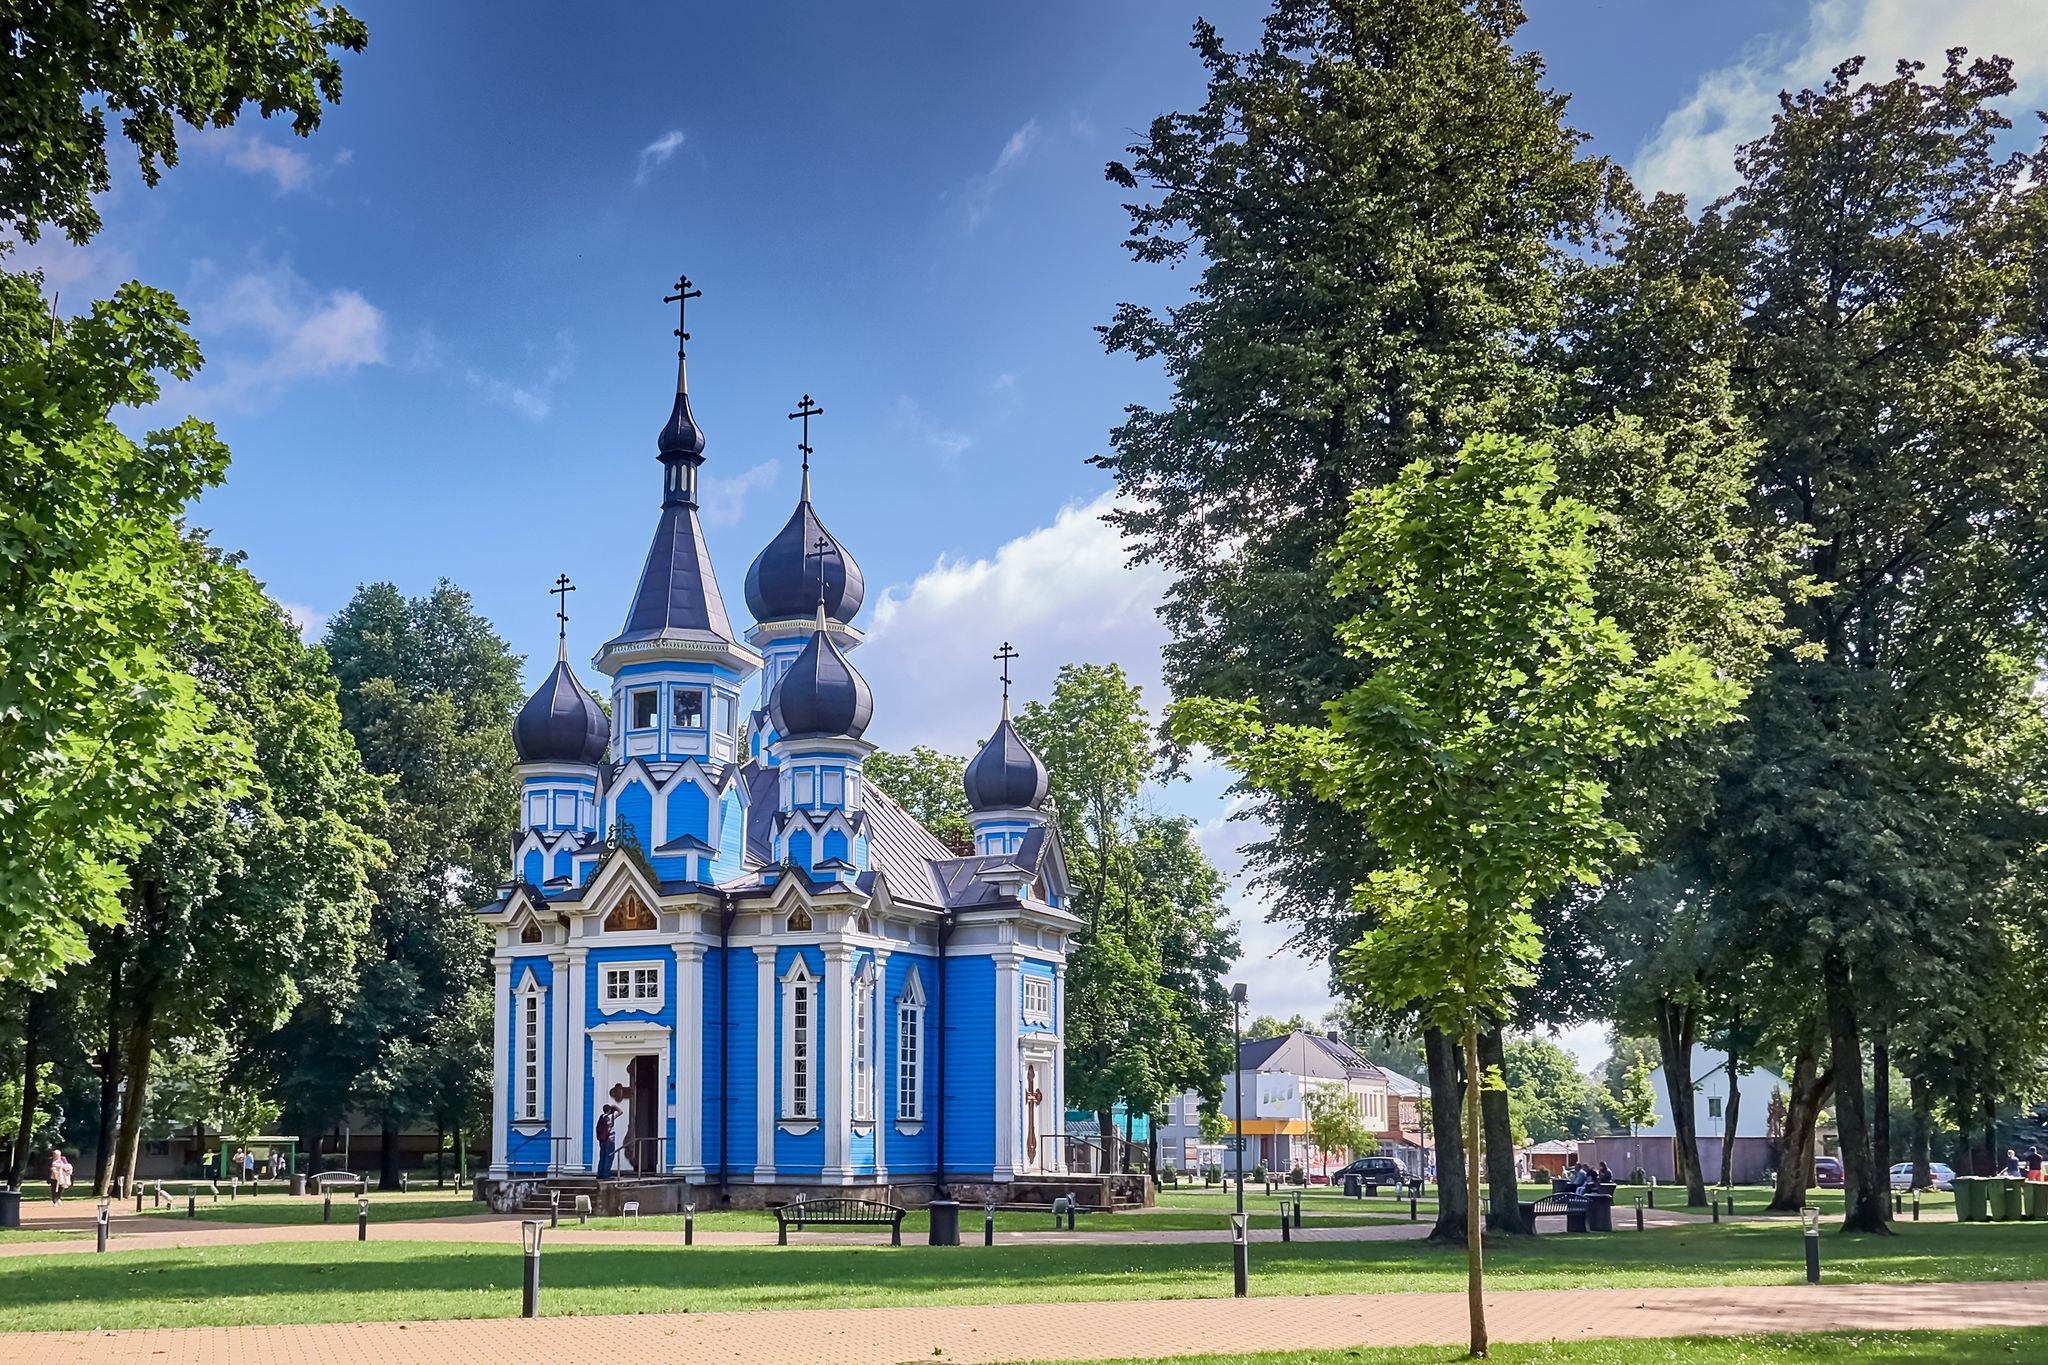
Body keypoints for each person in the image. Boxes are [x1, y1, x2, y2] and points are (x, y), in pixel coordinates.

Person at [595, 1104, 619, 1180]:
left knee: (602, 1157)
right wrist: (615, 1106)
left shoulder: (601, 1117)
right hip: (610, 1139)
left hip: (602, 1139)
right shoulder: (611, 1116)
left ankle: (600, 1174)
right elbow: (621, 1111)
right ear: (609, 1110)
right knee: (609, 1156)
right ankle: (606, 1174)